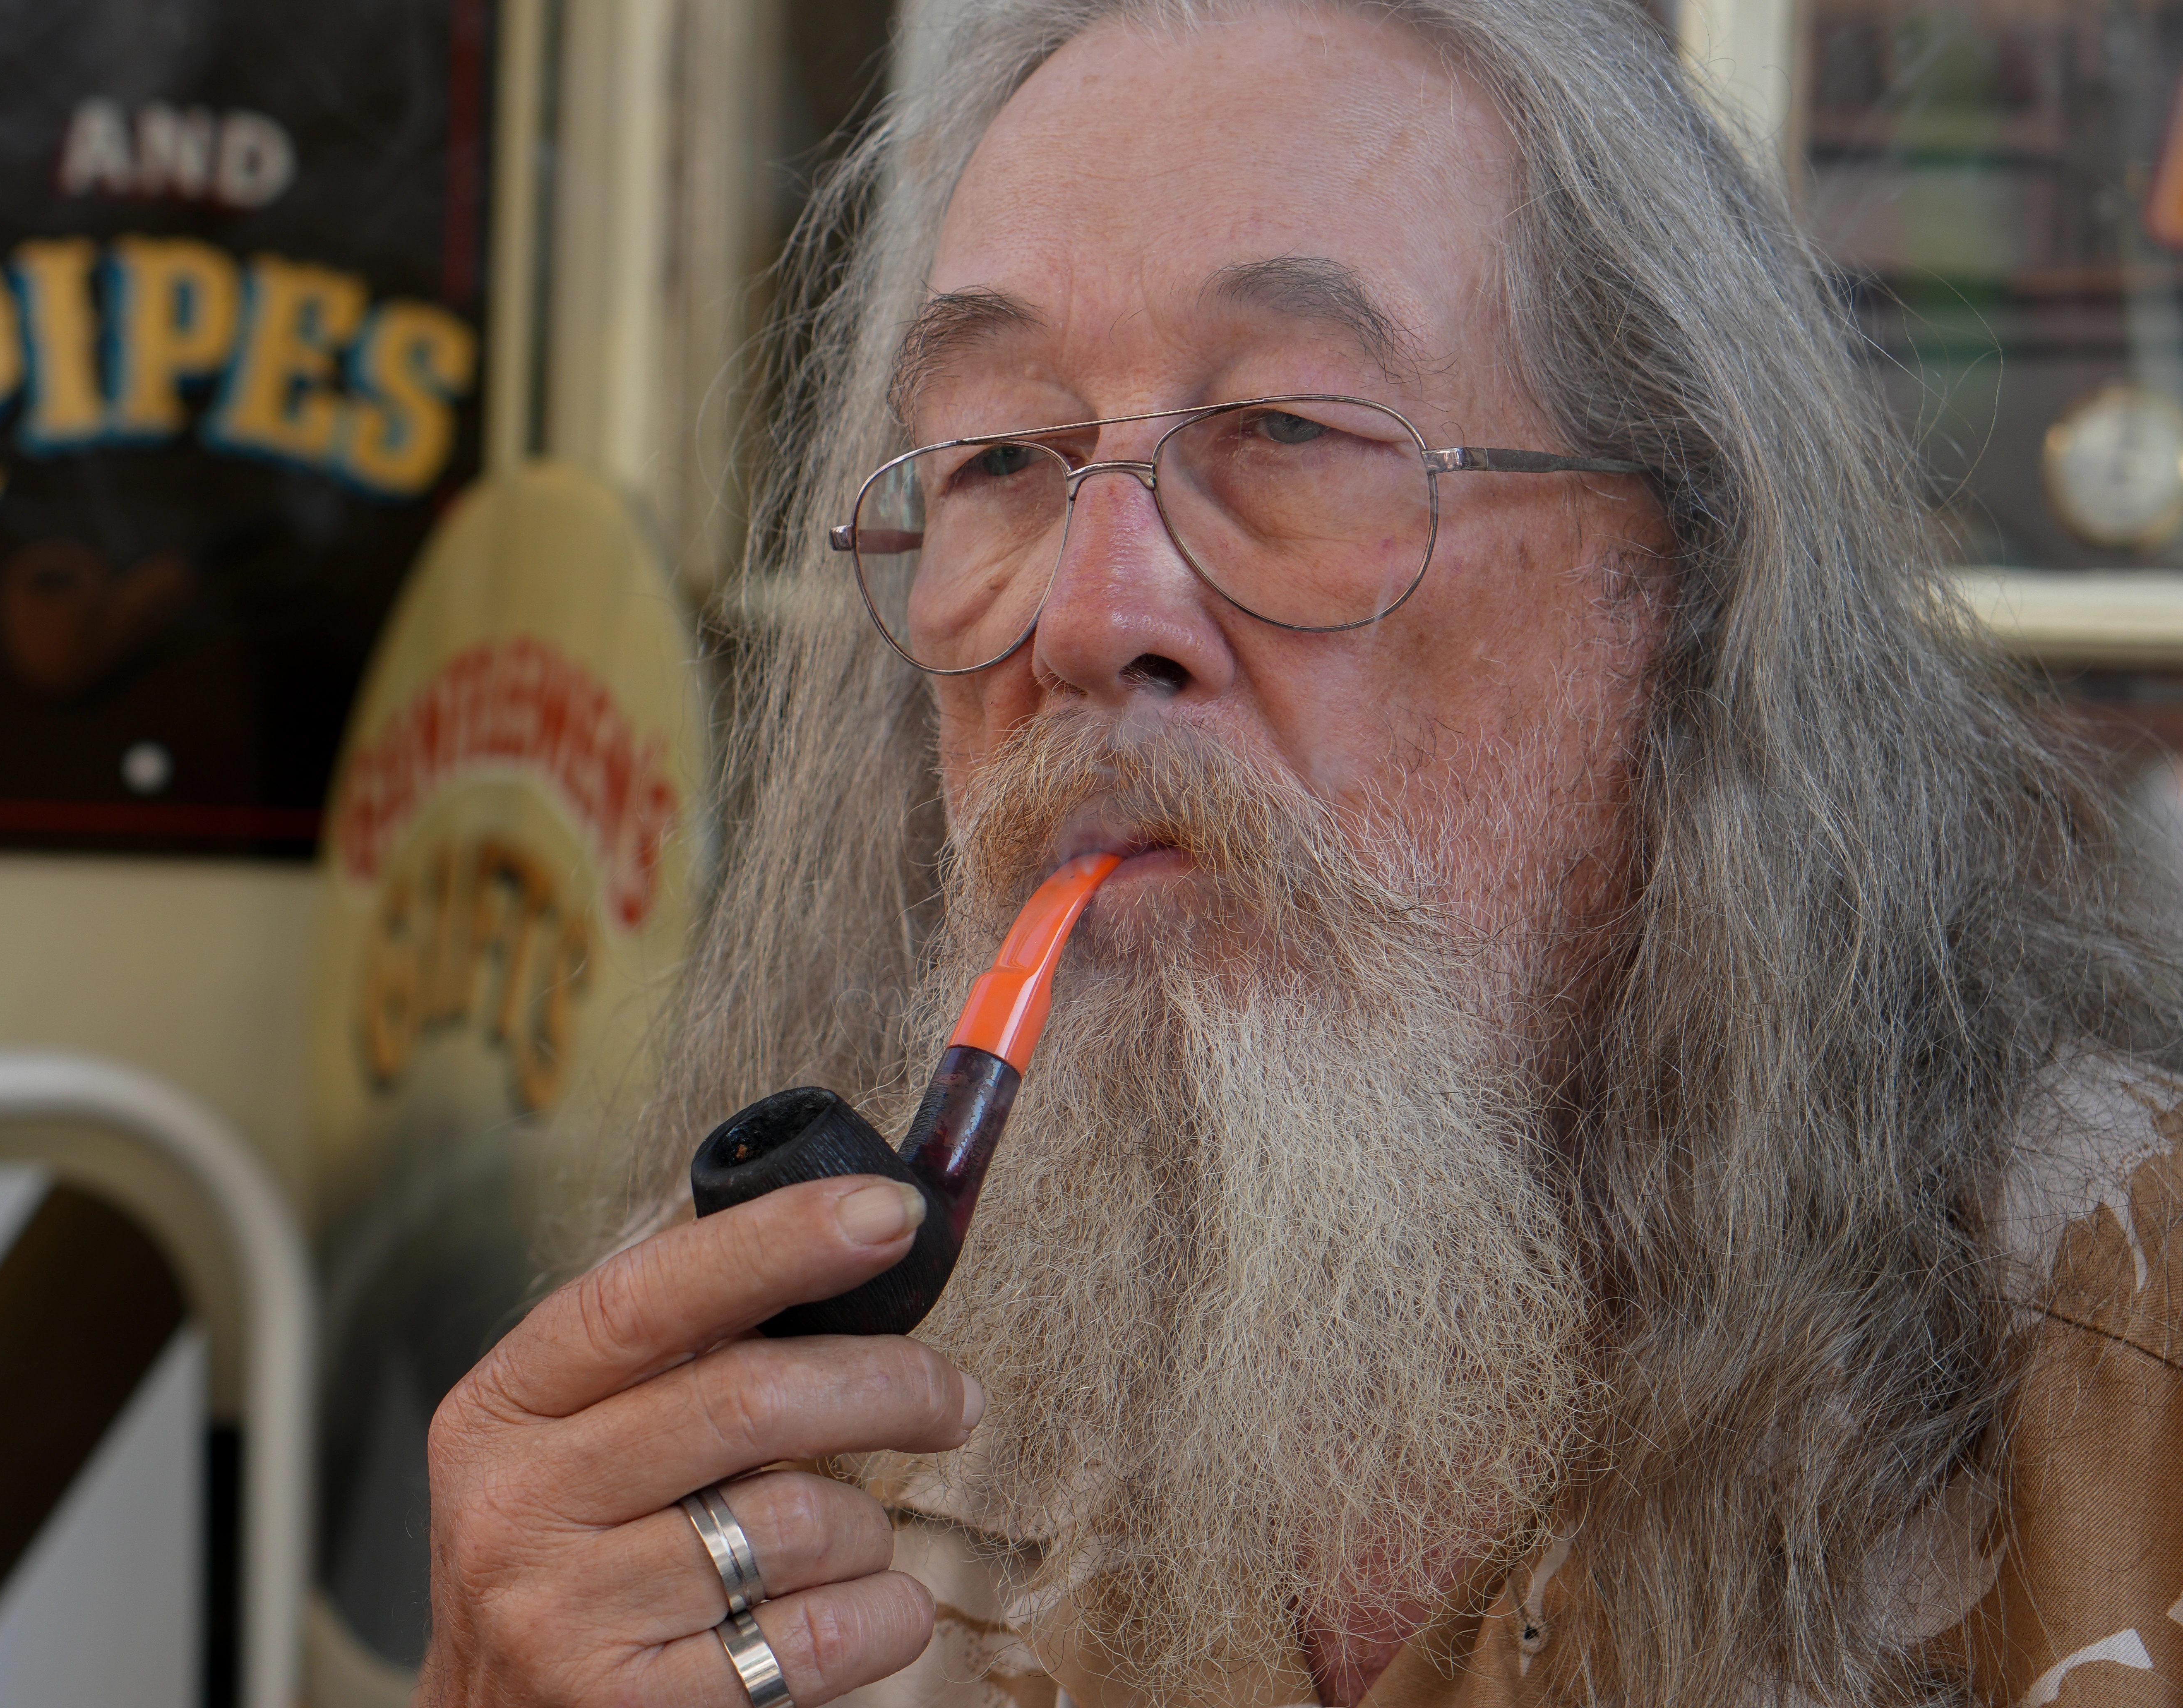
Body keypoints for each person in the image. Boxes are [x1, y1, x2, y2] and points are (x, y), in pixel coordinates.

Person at [413, 2, 2183, 1704]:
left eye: (1285, 432)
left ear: (1684, 585)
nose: (1088, 619)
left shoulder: (2123, 1389)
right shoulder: (772, 1411)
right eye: (1002, 457)